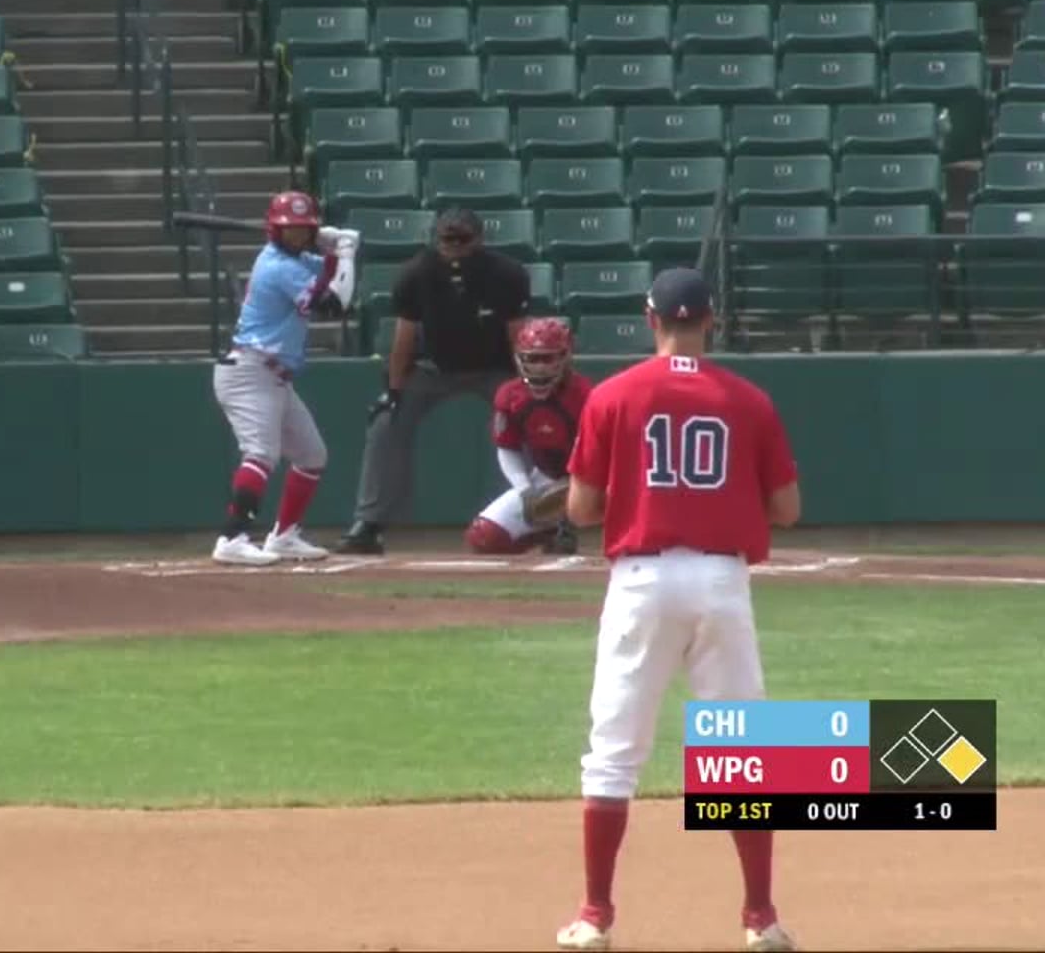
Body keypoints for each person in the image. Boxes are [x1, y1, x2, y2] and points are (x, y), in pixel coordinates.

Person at [556, 268, 803, 953]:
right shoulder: (748, 399)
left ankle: (594, 918)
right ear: (710, 320)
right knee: (742, 749)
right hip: (722, 580)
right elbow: (787, 509)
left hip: (643, 579)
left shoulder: (612, 395)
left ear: (650, 319)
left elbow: (581, 509)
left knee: (613, 752)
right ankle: (761, 919)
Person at [338, 208, 531, 555]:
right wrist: (394, 391)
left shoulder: (506, 273)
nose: (454, 246)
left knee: (534, 419)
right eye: (447, 240)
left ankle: (545, 518)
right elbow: (404, 338)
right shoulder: (416, 273)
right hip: (433, 369)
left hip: (494, 369)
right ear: (436, 239)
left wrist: (527, 389)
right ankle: (369, 523)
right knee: (386, 423)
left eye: (462, 239)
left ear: (479, 239)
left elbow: (516, 334)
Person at [210, 191, 359, 566]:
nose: (297, 235)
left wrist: (331, 251)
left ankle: (284, 536)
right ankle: (232, 537)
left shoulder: (295, 259)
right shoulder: (278, 266)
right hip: (249, 372)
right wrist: (345, 254)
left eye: (303, 229)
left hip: (273, 376)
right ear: (275, 230)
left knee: (311, 455)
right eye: (289, 229)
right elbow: (335, 304)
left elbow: (327, 277)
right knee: (261, 454)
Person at [466, 317, 592, 556]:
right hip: (547, 476)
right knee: (484, 536)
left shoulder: (586, 395)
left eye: (547, 358)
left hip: (589, 479)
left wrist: (578, 485)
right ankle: (549, 531)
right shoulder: (510, 395)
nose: (540, 367)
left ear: (565, 357)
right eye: (533, 358)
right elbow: (507, 448)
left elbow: (602, 451)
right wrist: (525, 490)